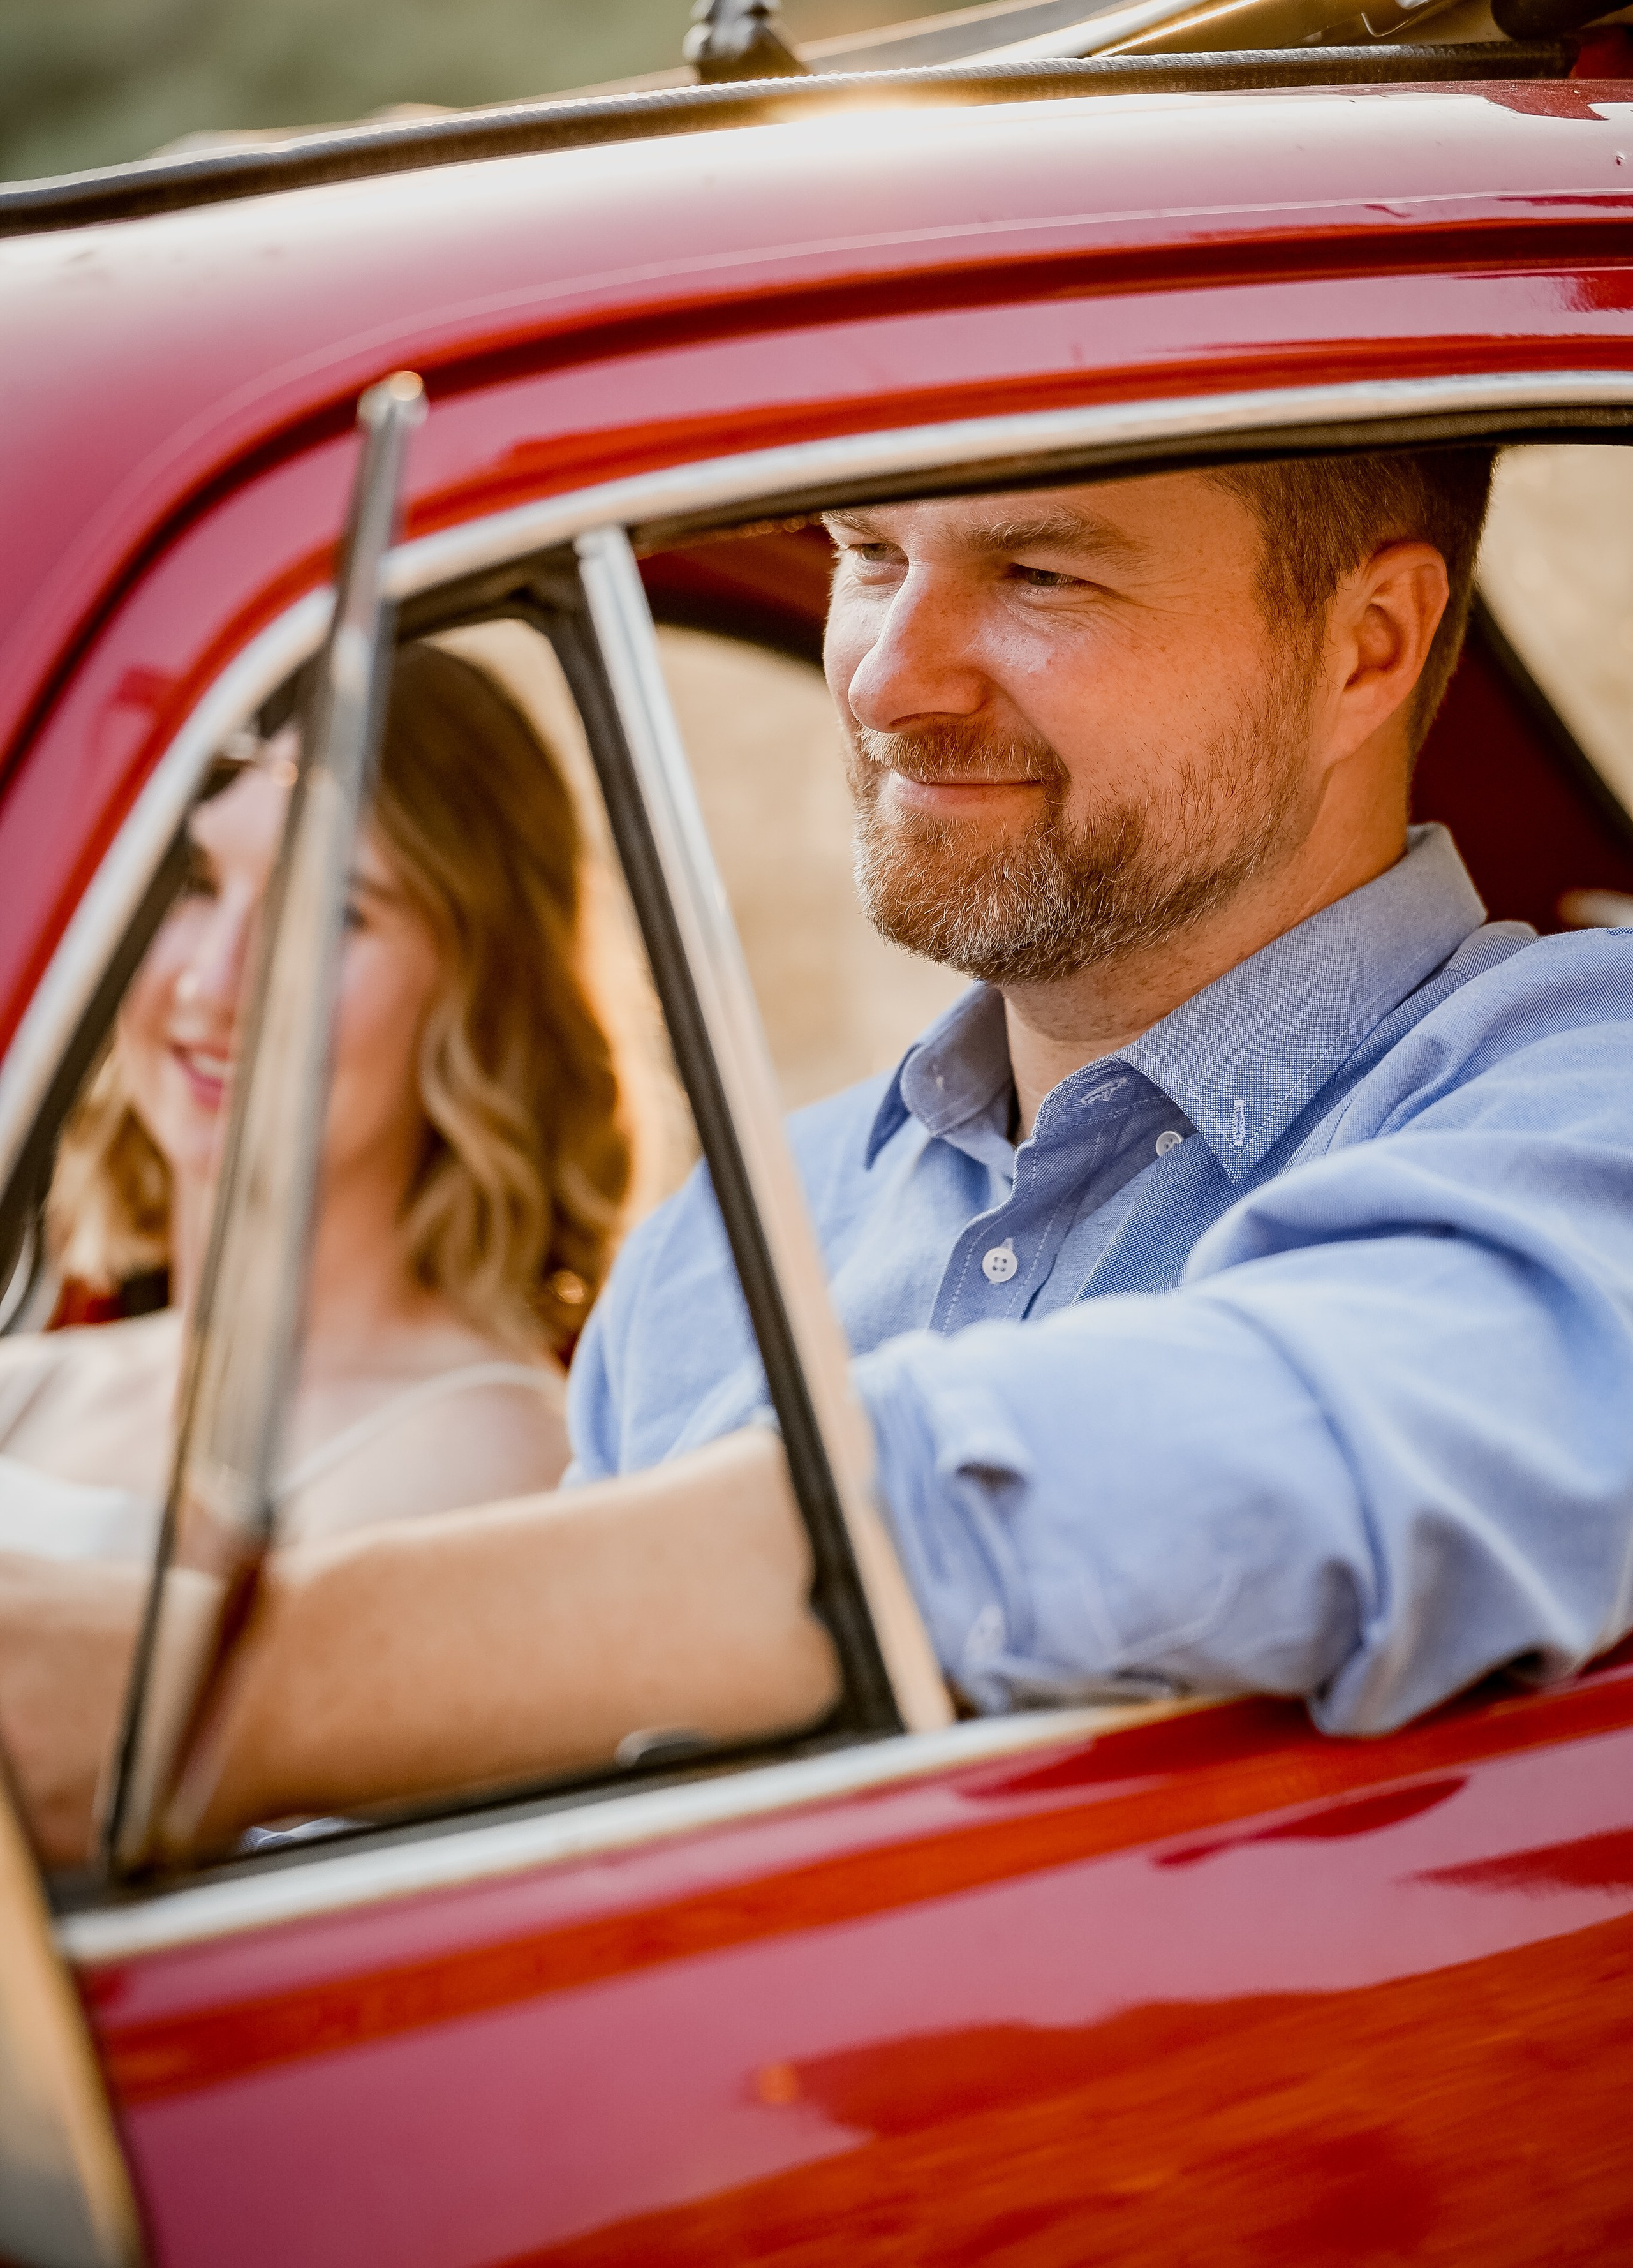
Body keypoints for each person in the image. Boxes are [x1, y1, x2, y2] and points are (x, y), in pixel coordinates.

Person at [8, 448, 1633, 1870]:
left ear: (1366, 644)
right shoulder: (725, 1236)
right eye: (864, 554)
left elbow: (1288, 1459)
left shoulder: (1575, 1085)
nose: (884, 681)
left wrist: (230, 1694)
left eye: (1039, 572)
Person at [0, 642, 630, 1562]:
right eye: (193, 884)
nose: (214, 983)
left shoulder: (490, 1464)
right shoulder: (29, 1389)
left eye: (331, 911)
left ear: (485, 997)